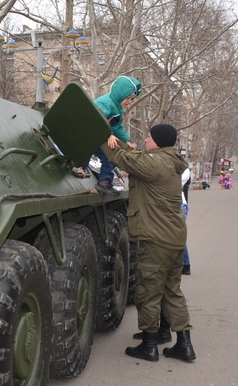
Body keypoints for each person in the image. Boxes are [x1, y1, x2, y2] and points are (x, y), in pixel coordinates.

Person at [101, 123, 196, 363]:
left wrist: (103, 137)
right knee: (171, 292)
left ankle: (149, 345)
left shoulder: (155, 163)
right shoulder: (169, 161)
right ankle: (183, 344)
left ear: (159, 141)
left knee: (148, 292)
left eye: (149, 137)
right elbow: (134, 156)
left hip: (157, 238)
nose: (144, 140)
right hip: (174, 238)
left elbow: (121, 157)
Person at [82, 75, 142, 195]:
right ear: (120, 94)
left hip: (99, 137)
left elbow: (117, 126)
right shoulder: (105, 103)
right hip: (88, 134)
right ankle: (80, 169)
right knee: (85, 153)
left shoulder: (117, 108)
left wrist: (127, 140)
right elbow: (96, 118)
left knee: (111, 157)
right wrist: (108, 135)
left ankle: (105, 181)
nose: (129, 102)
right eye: (128, 98)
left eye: (131, 100)